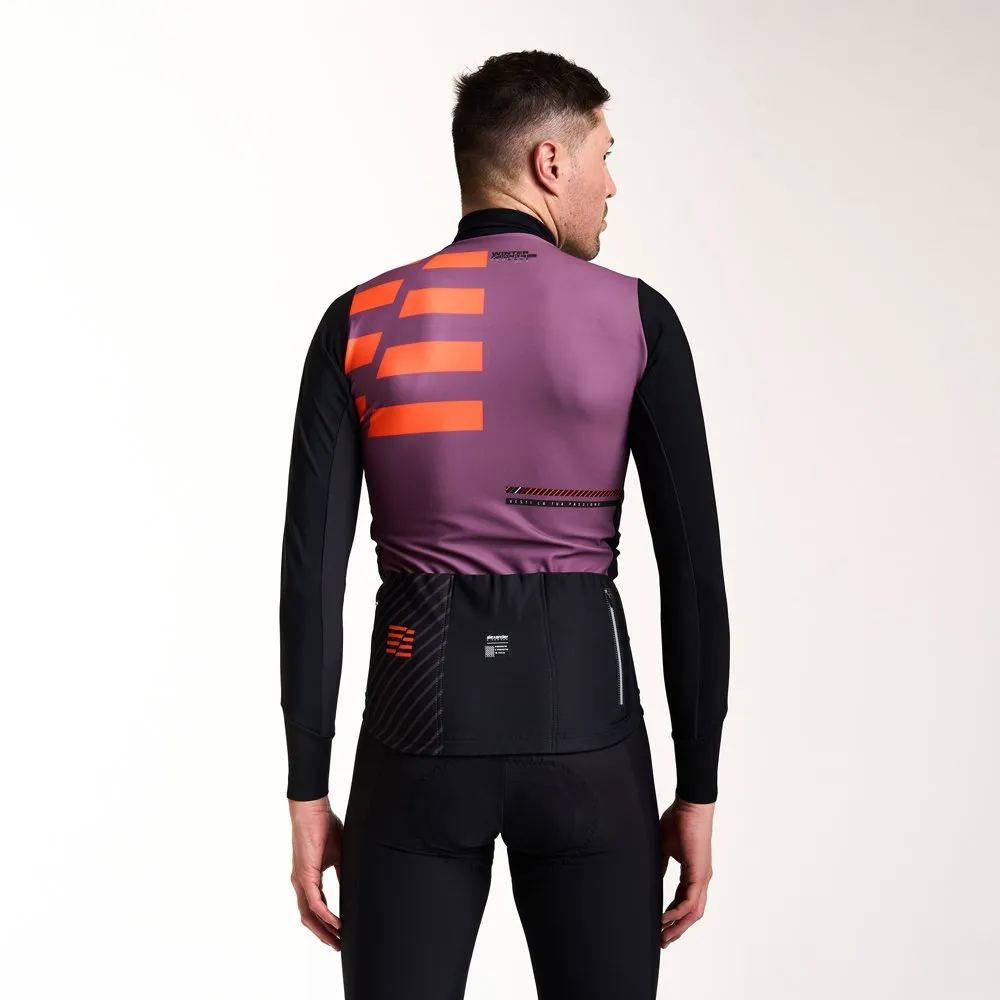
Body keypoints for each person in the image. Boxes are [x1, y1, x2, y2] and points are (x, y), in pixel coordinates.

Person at [278, 49, 730, 1000]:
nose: (613, 184)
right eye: (605, 155)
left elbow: (311, 575)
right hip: (590, 741)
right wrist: (698, 787)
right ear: (549, 162)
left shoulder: (360, 320)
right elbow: (693, 573)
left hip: (414, 737)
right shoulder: (636, 318)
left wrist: (307, 786)